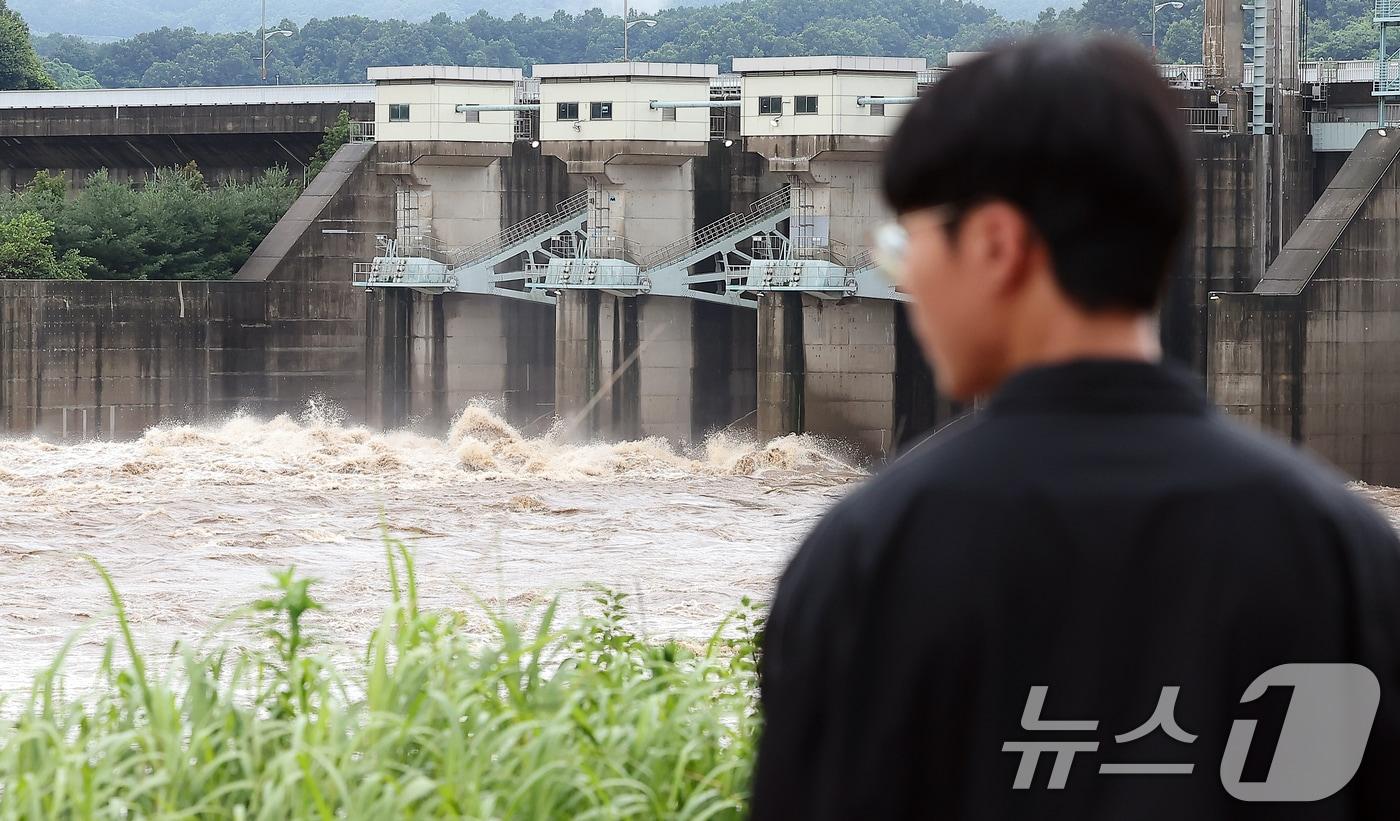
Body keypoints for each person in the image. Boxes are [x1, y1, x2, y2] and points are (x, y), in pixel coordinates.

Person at [750, 35, 1400, 820]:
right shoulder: (1341, 550)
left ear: (995, 243)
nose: (907, 278)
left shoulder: (872, 554)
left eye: (906, 244)